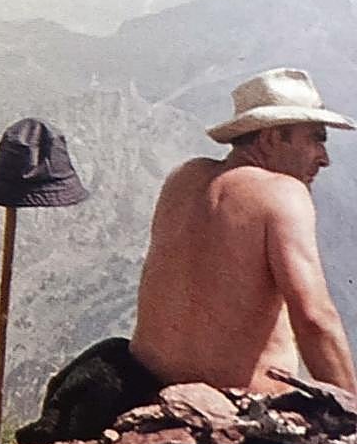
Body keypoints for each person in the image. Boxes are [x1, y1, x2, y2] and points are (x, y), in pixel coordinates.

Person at [131, 66, 357, 395]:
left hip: (150, 388)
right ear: (271, 137)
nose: (324, 159)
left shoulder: (183, 178)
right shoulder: (282, 193)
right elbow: (314, 319)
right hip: (239, 405)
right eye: (315, 139)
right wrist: (350, 414)